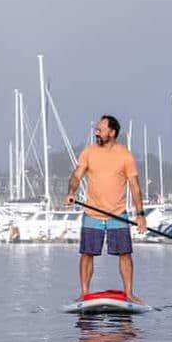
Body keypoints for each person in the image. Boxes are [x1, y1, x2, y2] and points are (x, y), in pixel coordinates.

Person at [63, 115, 147, 303]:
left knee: (125, 254)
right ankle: (84, 293)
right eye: (96, 129)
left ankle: (129, 294)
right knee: (87, 254)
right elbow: (76, 176)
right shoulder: (88, 153)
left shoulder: (125, 155)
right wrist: (71, 192)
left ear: (112, 132)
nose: (97, 132)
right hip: (92, 213)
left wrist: (140, 215)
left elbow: (135, 187)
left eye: (100, 130)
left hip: (117, 214)